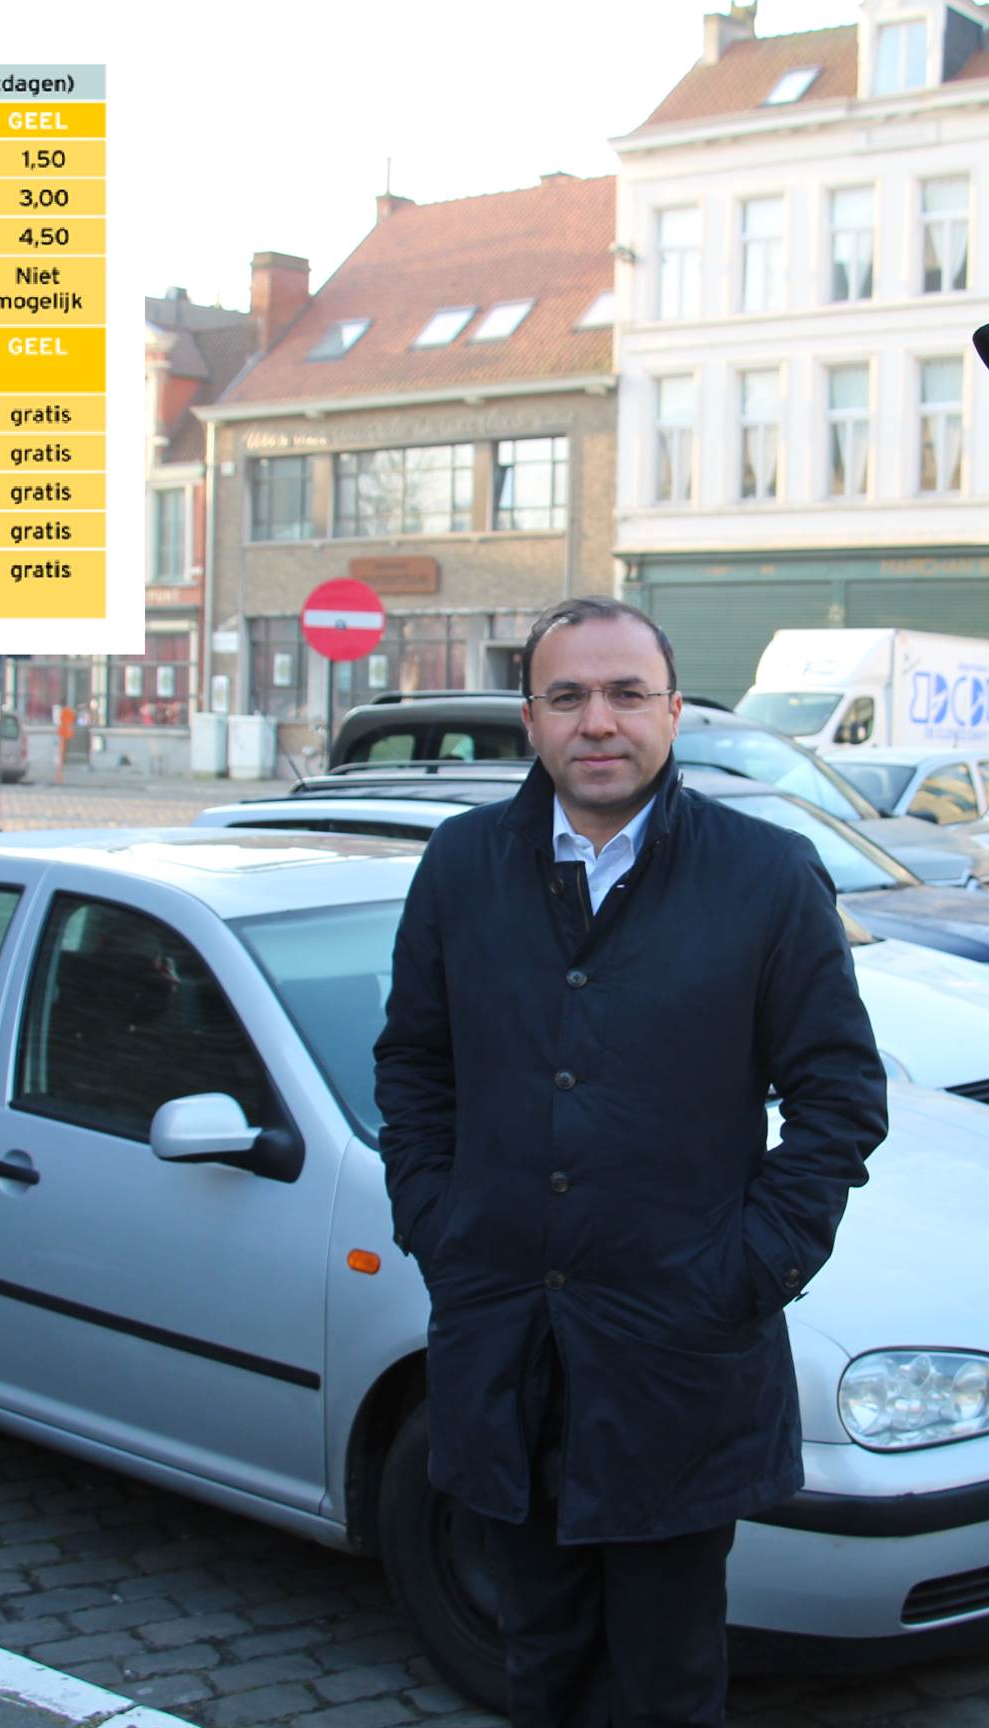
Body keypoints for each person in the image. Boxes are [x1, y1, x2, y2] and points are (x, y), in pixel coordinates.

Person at [374, 596, 886, 1728]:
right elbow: (415, 1067)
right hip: (504, 1340)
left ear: (672, 711)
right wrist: (438, 1228)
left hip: (679, 1353)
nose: (596, 722)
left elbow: (839, 1100)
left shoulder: (765, 875)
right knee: (538, 1661)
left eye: (624, 694)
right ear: (530, 718)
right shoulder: (463, 866)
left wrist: (747, 1272)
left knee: (668, 1678)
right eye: (567, 696)